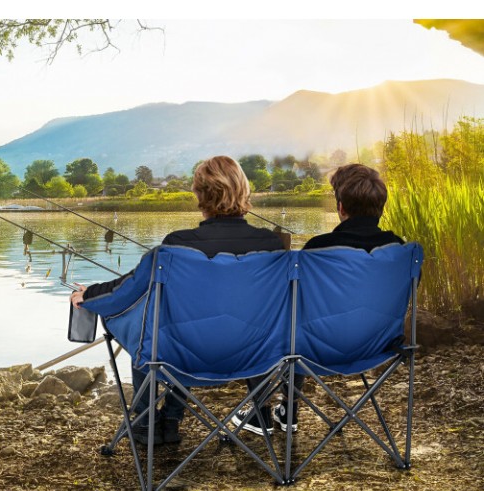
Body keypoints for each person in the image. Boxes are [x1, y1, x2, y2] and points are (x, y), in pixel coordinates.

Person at [70, 155, 284, 445]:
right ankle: (170, 416)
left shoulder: (177, 245)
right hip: (256, 356)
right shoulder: (272, 246)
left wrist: (89, 295)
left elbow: (126, 290)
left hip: (183, 356)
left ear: (198, 194)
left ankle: (147, 421)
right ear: (244, 191)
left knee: (146, 324)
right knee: (189, 326)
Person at [235, 163, 405, 436]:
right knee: (303, 325)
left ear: (340, 208)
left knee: (282, 323)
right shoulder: (399, 250)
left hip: (319, 349)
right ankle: (286, 412)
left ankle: (264, 410)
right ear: (381, 206)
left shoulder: (317, 249)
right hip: (376, 346)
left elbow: (289, 301)